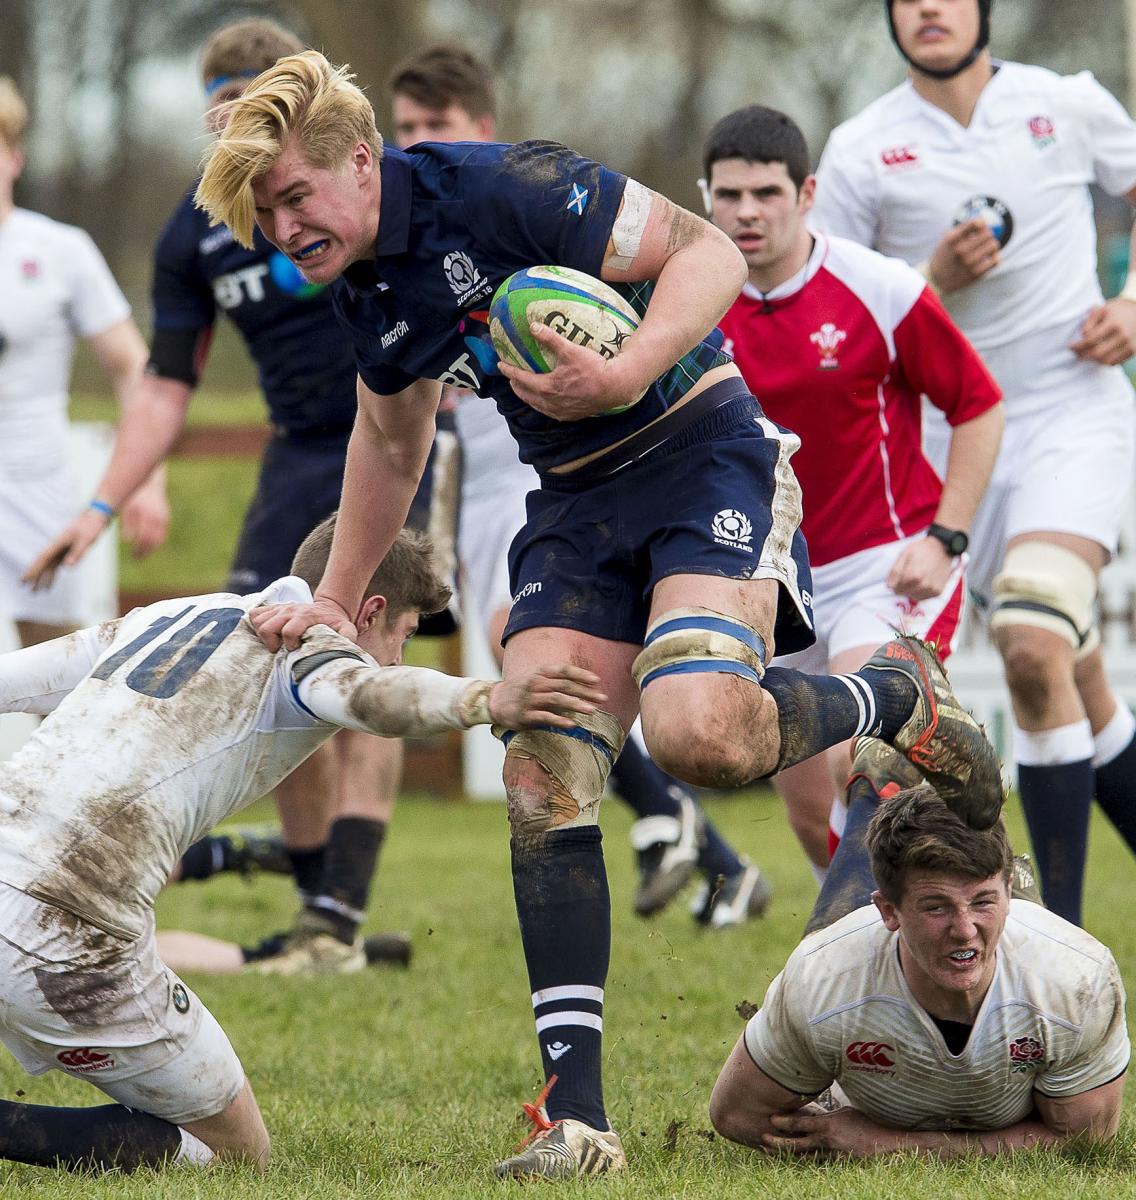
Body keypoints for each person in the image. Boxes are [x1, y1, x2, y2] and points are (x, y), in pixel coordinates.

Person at [194, 51, 1002, 1177]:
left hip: (705, 457)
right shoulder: (368, 284)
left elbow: (709, 252)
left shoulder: (504, 186)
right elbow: (388, 438)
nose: (283, 225)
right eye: (264, 211)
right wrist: (334, 601)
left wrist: (632, 368)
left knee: (699, 736)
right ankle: (576, 1120)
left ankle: (895, 695)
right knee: (541, 768)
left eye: (295, 195)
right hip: (575, 505)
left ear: (362, 161)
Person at [23, 19, 456, 972]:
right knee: (266, 654)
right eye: (218, 104)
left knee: (369, 636)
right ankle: (318, 912)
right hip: (300, 447)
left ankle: (342, 906)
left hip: (394, 438)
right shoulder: (199, 229)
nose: (234, 120)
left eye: (250, 96)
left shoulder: (355, 188)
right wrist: (102, 506)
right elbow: (166, 389)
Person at [0, 515, 602, 1172]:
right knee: (235, 1153)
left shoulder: (170, 615)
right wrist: (487, 697)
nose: (400, 653)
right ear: (370, 612)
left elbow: (12, 679)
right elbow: (376, 695)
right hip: (67, 931)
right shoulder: (308, 645)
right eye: (402, 635)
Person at [389, 43, 772, 926]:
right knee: (529, 675)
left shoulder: (510, 209)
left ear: (477, 129)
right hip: (486, 480)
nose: (417, 142)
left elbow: (676, 267)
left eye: (433, 128)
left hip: (574, 465)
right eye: (403, 127)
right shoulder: (399, 256)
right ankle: (698, 841)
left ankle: (684, 826)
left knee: (552, 665)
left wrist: (614, 360)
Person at [810, 0, 1136, 926]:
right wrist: (931, 278)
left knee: (1032, 640)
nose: (927, 9)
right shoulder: (863, 147)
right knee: (1074, 677)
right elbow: (827, 302)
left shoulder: (1063, 103)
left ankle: (1057, 942)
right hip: (952, 445)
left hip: (1073, 410)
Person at [702, 104, 1003, 893]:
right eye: (729, 195)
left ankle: (881, 944)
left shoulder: (883, 289)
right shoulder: (690, 306)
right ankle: (917, 918)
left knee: (866, 762)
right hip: (772, 581)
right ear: (705, 197)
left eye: (766, 193)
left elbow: (979, 404)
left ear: (806, 193)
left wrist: (946, 538)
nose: (747, 212)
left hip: (885, 564)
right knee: (810, 809)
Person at [710, 784, 1128, 1158]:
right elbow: (737, 1115)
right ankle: (871, 788)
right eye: (936, 907)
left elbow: (1083, 1140)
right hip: (860, 959)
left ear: (1009, 892)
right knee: (834, 945)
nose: (964, 931)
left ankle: (878, 787)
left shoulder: (1077, 982)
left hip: (1030, 960)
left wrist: (882, 1144)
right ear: (888, 911)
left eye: (983, 901)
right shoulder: (823, 980)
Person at [0, 76, 167, 647]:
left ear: (15, 157)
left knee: (55, 679)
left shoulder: (59, 251)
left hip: (34, 486)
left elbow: (134, 368)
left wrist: (145, 480)